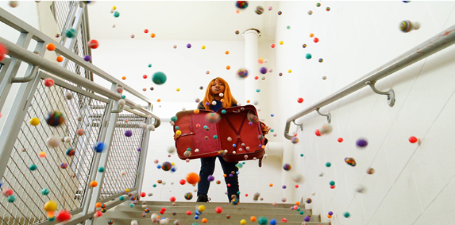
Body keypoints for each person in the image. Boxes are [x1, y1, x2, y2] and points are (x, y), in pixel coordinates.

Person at [195, 77, 240, 203]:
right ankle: (202, 195)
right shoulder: (203, 104)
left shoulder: (232, 104)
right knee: (206, 169)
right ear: (209, 88)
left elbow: (240, 122)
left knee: (231, 171)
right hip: (208, 141)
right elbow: (196, 123)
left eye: (221, 84)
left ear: (225, 88)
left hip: (227, 142)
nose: (217, 86)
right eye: (213, 84)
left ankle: (234, 198)